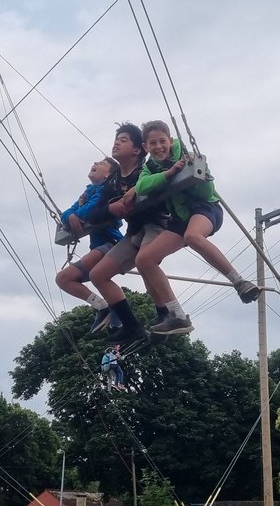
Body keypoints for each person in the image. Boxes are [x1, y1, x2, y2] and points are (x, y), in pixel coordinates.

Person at [133, 120, 261, 335]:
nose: (158, 147)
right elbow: (142, 186)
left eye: (162, 141)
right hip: (179, 218)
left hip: (205, 209)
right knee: (143, 260)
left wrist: (191, 169)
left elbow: (206, 189)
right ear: (146, 147)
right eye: (153, 143)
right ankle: (177, 315)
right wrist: (169, 173)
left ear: (170, 140)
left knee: (193, 236)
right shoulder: (150, 167)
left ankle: (239, 282)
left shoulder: (187, 155)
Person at [89, 123, 171, 344]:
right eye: (116, 138)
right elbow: (95, 213)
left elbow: (166, 175)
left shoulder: (146, 169)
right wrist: (110, 208)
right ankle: (131, 326)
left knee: (145, 261)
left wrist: (138, 189)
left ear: (137, 149)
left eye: (123, 139)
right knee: (98, 274)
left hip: (157, 225)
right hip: (134, 232)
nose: (116, 142)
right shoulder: (114, 180)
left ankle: (166, 314)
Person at [56, 157, 125, 332]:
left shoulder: (107, 192)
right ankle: (103, 306)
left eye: (101, 163)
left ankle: (116, 311)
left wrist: (75, 215)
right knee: (63, 279)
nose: (95, 163)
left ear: (108, 175)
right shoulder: (88, 192)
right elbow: (67, 213)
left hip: (111, 243)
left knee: (94, 276)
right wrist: (71, 216)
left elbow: (90, 212)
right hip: (98, 247)